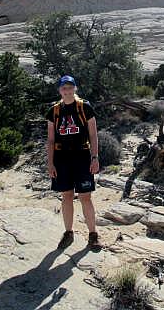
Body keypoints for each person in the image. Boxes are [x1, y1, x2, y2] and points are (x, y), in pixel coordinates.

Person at [45, 74, 103, 250]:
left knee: (85, 196)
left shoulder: (84, 107)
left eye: (70, 87)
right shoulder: (54, 111)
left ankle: (93, 234)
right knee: (66, 196)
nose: (67, 90)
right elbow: (50, 140)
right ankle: (68, 232)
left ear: (75, 88)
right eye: (64, 88)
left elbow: (93, 135)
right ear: (60, 90)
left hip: (82, 156)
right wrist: (50, 163)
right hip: (62, 158)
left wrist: (95, 157)